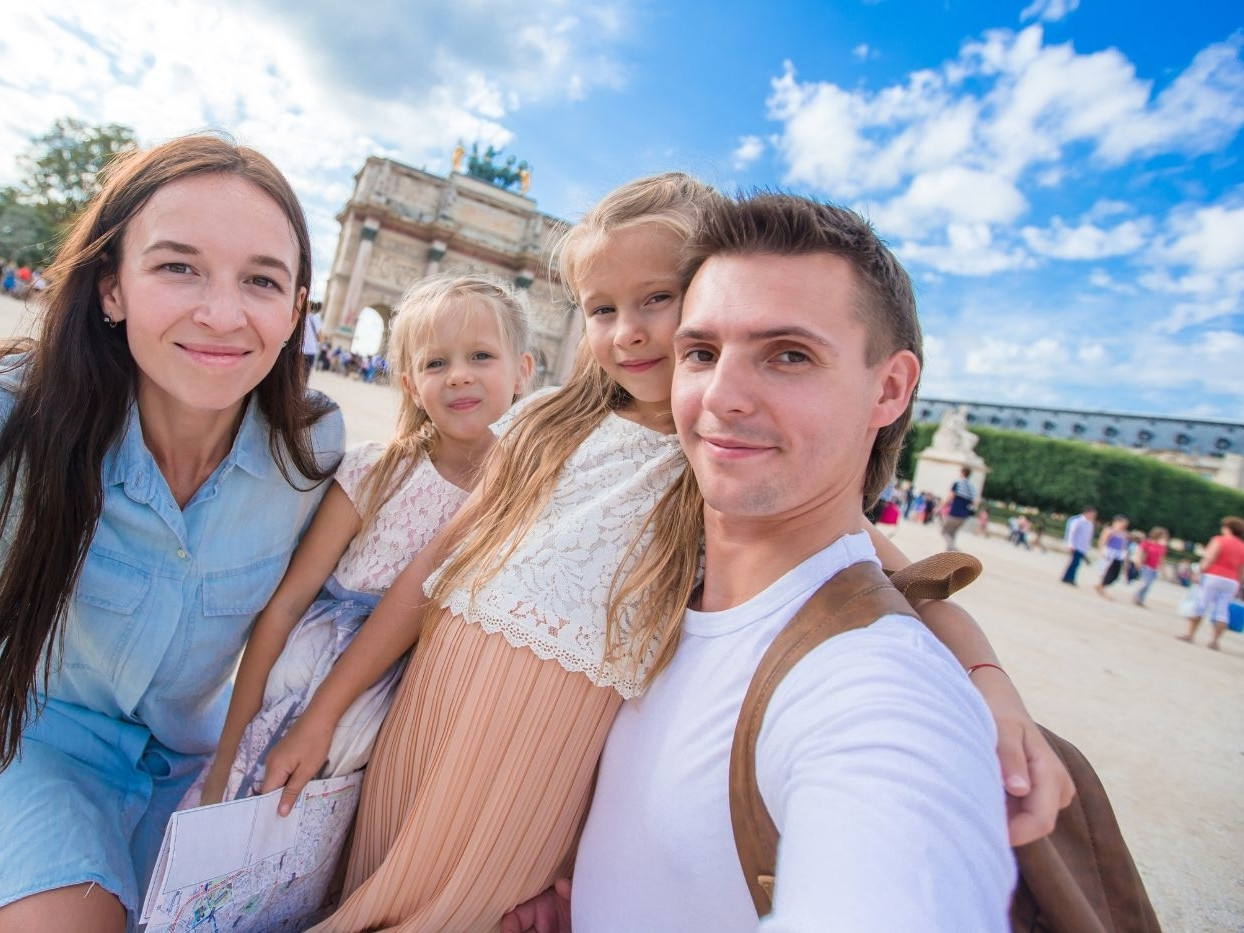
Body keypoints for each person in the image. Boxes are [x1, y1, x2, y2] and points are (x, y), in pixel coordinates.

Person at [263, 175, 1065, 932]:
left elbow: (891, 581)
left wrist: (993, 690)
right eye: (601, 308)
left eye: (659, 299)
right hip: (430, 710)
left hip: (536, 766)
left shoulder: (714, 461)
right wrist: (326, 711)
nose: (631, 332)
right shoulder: (544, 422)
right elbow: (425, 579)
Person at [571, 193, 1020, 929]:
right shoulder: (661, 596)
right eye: (702, 352)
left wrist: (986, 678)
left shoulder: (880, 694)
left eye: (789, 355)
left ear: (891, 387)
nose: (722, 395)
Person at [0, 136, 345, 932]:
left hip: (193, 774)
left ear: (297, 310)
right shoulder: (21, 416)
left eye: (261, 279)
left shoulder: (313, 447)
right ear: (110, 288)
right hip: (36, 746)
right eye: (177, 266)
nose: (222, 314)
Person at [191, 275, 532, 805]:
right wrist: (223, 756)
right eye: (435, 363)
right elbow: (285, 607)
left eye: (481, 356)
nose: (459, 376)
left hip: (416, 725)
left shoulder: (530, 502)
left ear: (523, 372)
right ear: (411, 385)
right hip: (300, 698)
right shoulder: (376, 473)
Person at [1177, 516, 1244, 650]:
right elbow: (1241, 568)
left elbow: (1209, 558)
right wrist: (1239, 583)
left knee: (1201, 605)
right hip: (1232, 580)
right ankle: (1214, 640)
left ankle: (1190, 634)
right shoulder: (1242, 546)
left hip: (1213, 576)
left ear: (1228, 528)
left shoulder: (1219, 540)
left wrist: (1199, 572)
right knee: (1222, 610)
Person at [1094, 515, 1130, 598]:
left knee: (1115, 572)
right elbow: (1103, 541)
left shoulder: (1124, 534)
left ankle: (1101, 585)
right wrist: (1102, 551)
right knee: (1106, 570)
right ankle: (1101, 586)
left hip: (1118, 554)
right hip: (1109, 552)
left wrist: (1125, 556)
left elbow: (1124, 546)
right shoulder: (1110, 530)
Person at [941, 465, 977, 550]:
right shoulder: (972, 487)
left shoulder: (958, 483)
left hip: (955, 512)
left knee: (943, 531)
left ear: (963, 473)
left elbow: (950, 497)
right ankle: (950, 553)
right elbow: (974, 503)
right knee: (952, 533)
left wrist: (940, 507)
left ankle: (954, 548)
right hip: (964, 515)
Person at [1133, 526, 1169, 607]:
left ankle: (1141, 599)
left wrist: (1163, 571)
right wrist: (1138, 562)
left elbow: (1161, 559)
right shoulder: (1147, 543)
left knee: (1148, 585)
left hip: (1154, 568)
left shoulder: (1162, 547)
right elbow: (1140, 552)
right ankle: (1136, 596)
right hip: (1146, 566)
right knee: (1144, 583)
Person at [1061, 506, 1097, 585]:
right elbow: (1071, 533)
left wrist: (1088, 546)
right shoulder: (1077, 521)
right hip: (1076, 545)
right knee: (1075, 562)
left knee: (1076, 563)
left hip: (1082, 547)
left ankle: (1068, 577)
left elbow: (1089, 537)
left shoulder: (1090, 524)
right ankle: (1069, 578)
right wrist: (1070, 544)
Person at [302, 298, 325, 379]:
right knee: (304, 377)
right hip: (310, 351)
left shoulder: (298, 316)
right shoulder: (315, 318)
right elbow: (320, 338)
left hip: (296, 350)